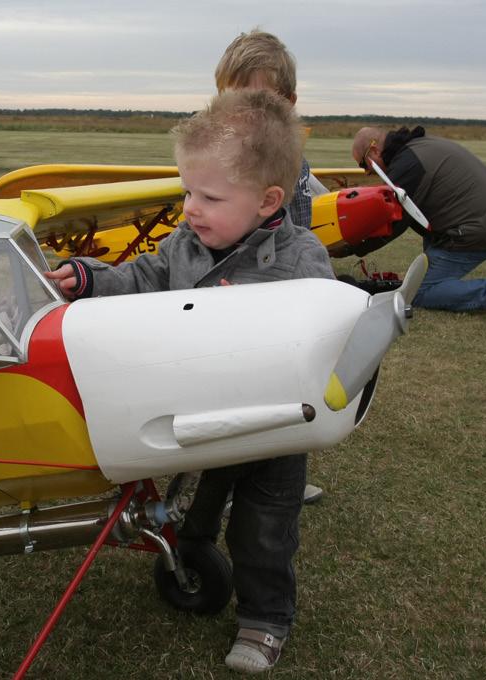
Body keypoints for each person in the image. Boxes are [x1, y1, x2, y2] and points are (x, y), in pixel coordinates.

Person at [46, 89, 334, 674]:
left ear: (267, 201)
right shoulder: (184, 245)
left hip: (272, 425)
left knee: (264, 530)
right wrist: (88, 278)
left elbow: (327, 329)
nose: (190, 208)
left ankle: (265, 621)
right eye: (186, 191)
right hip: (200, 415)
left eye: (208, 196)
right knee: (197, 499)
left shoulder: (301, 258)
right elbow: (141, 278)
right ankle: (193, 551)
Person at [215, 28, 324, 506]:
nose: (246, 117)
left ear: (290, 102)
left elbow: (305, 222)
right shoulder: (218, 159)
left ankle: (282, 476)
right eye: (235, 101)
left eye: (259, 102)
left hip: (283, 294)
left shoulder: (294, 164)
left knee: (287, 387)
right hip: (232, 296)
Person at [351, 126, 486, 322]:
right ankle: (443, 281)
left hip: (480, 227)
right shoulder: (416, 149)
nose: (366, 172)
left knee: (418, 291)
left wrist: (352, 247)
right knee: (422, 272)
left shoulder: (407, 165)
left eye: (364, 165)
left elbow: (393, 223)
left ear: (374, 151)